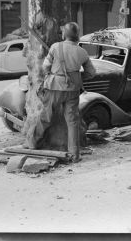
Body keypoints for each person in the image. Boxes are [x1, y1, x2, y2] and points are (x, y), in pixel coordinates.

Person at [41, 22, 96, 162]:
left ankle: (30, 144)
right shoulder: (82, 52)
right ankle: (74, 155)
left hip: (54, 88)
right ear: (77, 36)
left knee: (45, 117)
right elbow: (91, 73)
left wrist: (52, 74)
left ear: (64, 34)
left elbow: (45, 67)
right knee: (72, 122)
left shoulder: (55, 47)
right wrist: (75, 77)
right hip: (73, 90)